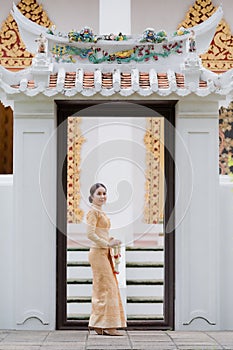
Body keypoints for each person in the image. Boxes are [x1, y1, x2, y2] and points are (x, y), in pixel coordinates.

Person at [86, 183, 126, 336]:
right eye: (99, 194)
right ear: (92, 197)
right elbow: (90, 235)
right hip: (97, 253)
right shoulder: (93, 213)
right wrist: (107, 243)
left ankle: (100, 324)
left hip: (104, 252)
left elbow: (99, 233)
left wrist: (110, 240)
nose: (102, 196)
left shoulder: (100, 212)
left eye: (104, 193)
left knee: (106, 287)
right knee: (106, 287)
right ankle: (107, 326)